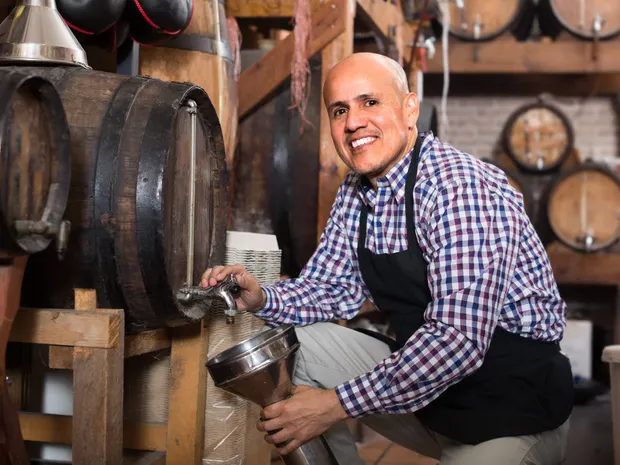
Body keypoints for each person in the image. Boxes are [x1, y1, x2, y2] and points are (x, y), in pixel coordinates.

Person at [200, 52, 574, 465]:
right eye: (340, 110)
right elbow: (332, 288)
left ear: (410, 109)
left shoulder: (459, 187)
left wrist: (333, 405)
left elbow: (458, 341)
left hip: (511, 408)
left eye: (370, 102)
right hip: (433, 401)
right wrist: (262, 298)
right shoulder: (357, 191)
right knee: (291, 346)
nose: (353, 122)